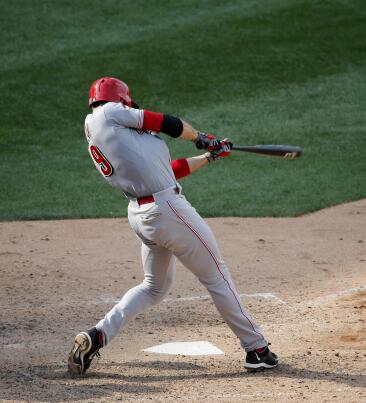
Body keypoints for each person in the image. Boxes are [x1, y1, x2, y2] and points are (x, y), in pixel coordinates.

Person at [67, 77, 278, 375]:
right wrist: (199, 136)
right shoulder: (107, 113)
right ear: (120, 101)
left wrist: (209, 155)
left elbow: (169, 171)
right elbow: (166, 122)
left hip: (143, 214)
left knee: (154, 287)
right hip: (168, 211)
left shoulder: (107, 134)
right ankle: (257, 349)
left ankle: (97, 335)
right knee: (217, 276)